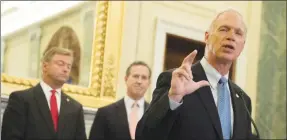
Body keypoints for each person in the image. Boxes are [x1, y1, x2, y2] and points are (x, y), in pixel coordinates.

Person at [136, 9, 253, 140]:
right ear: (207, 37)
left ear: (242, 46)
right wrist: (173, 98)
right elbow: (144, 135)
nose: (231, 36)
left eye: (238, 33)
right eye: (224, 29)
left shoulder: (243, 100)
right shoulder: (175, 81)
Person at [1, 47, 87, 140]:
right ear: (45, 66)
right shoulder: (21, 99)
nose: (65, 69)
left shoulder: (75, 108)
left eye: (68, 66)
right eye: (60, 64)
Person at [89, 61, 151, 140]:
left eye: (144, 78)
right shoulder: (105, 113)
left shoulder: (156, 115)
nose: (139, 81)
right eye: (135, 76)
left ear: (149, 83)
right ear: (126, 79)